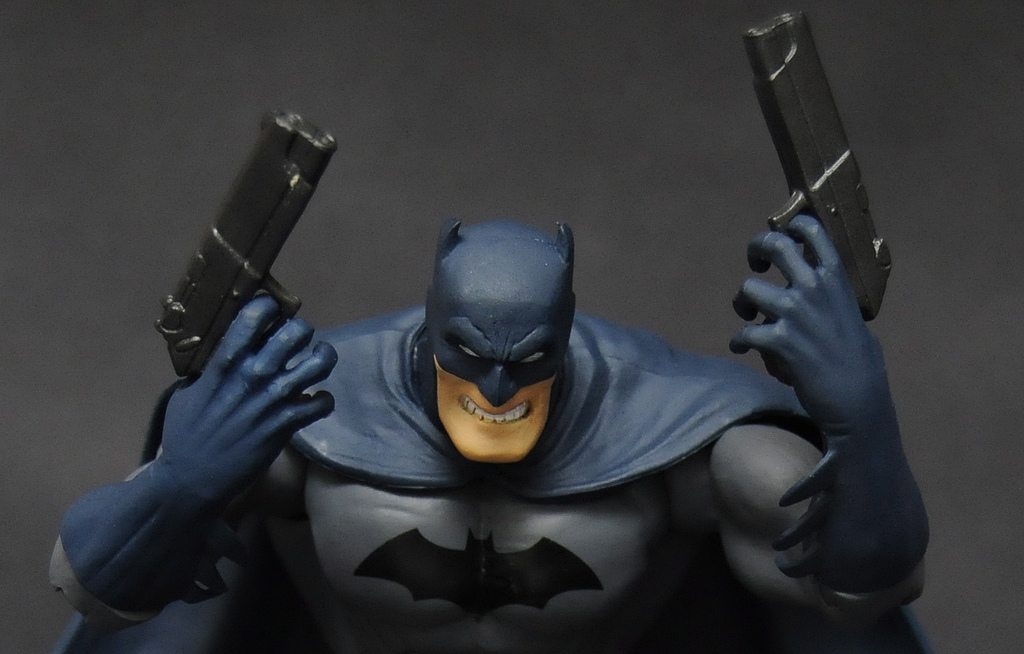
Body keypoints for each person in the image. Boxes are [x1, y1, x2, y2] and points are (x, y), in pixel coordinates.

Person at [51, 218, 929, 653]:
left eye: (526, 359)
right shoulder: (312, 420)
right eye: (470, 356)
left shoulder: (678, 438)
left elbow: (864, 592)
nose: (497, 390)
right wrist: (180, 484)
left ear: (562, 335)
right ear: (436, 329)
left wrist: (865, 420)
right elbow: (94, 587)